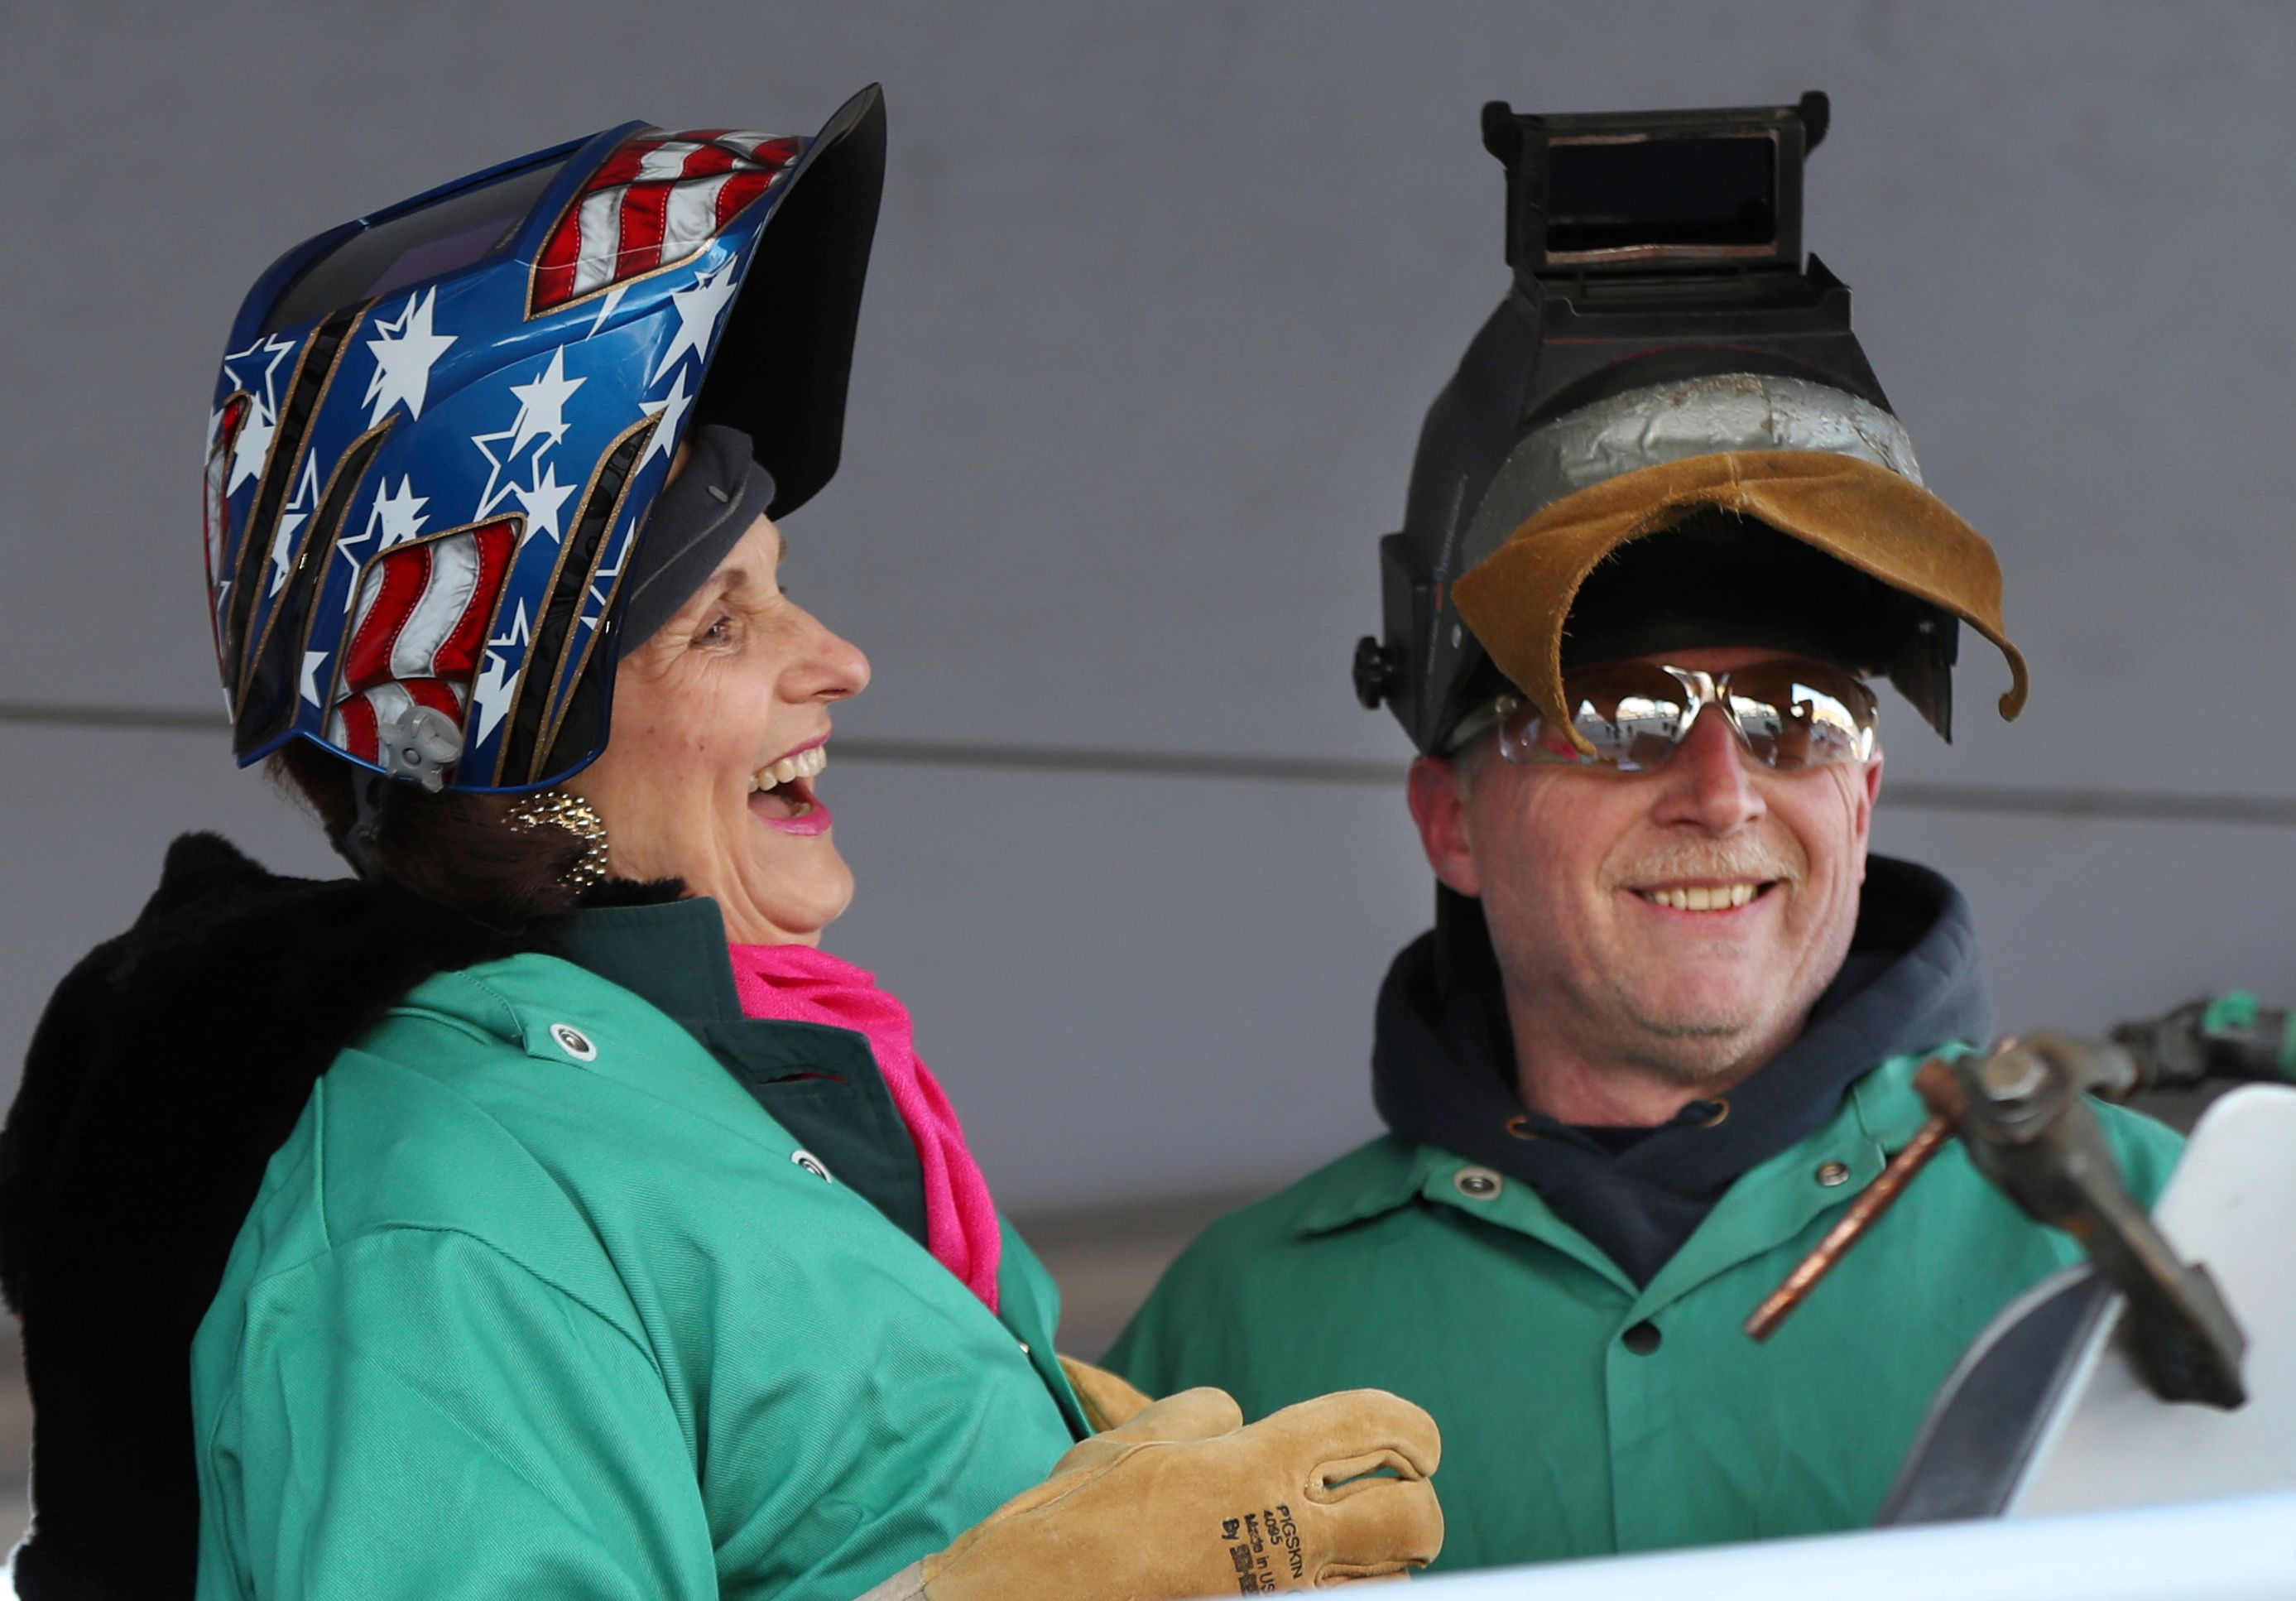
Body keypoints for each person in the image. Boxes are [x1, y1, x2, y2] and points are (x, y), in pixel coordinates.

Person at [0, 89, 1443, 1599]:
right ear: (507, 760)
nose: (840, 659)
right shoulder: (443, 1201)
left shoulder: (761, 1110)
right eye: (722, 623)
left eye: (786, 588)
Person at [1106, 94, 2183, 1573]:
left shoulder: (2155, 1231)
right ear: (1452, 819)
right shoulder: (1231, 1332)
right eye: (1617, 717)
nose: (1722, 793)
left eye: (1799, 715)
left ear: (1860, 798)